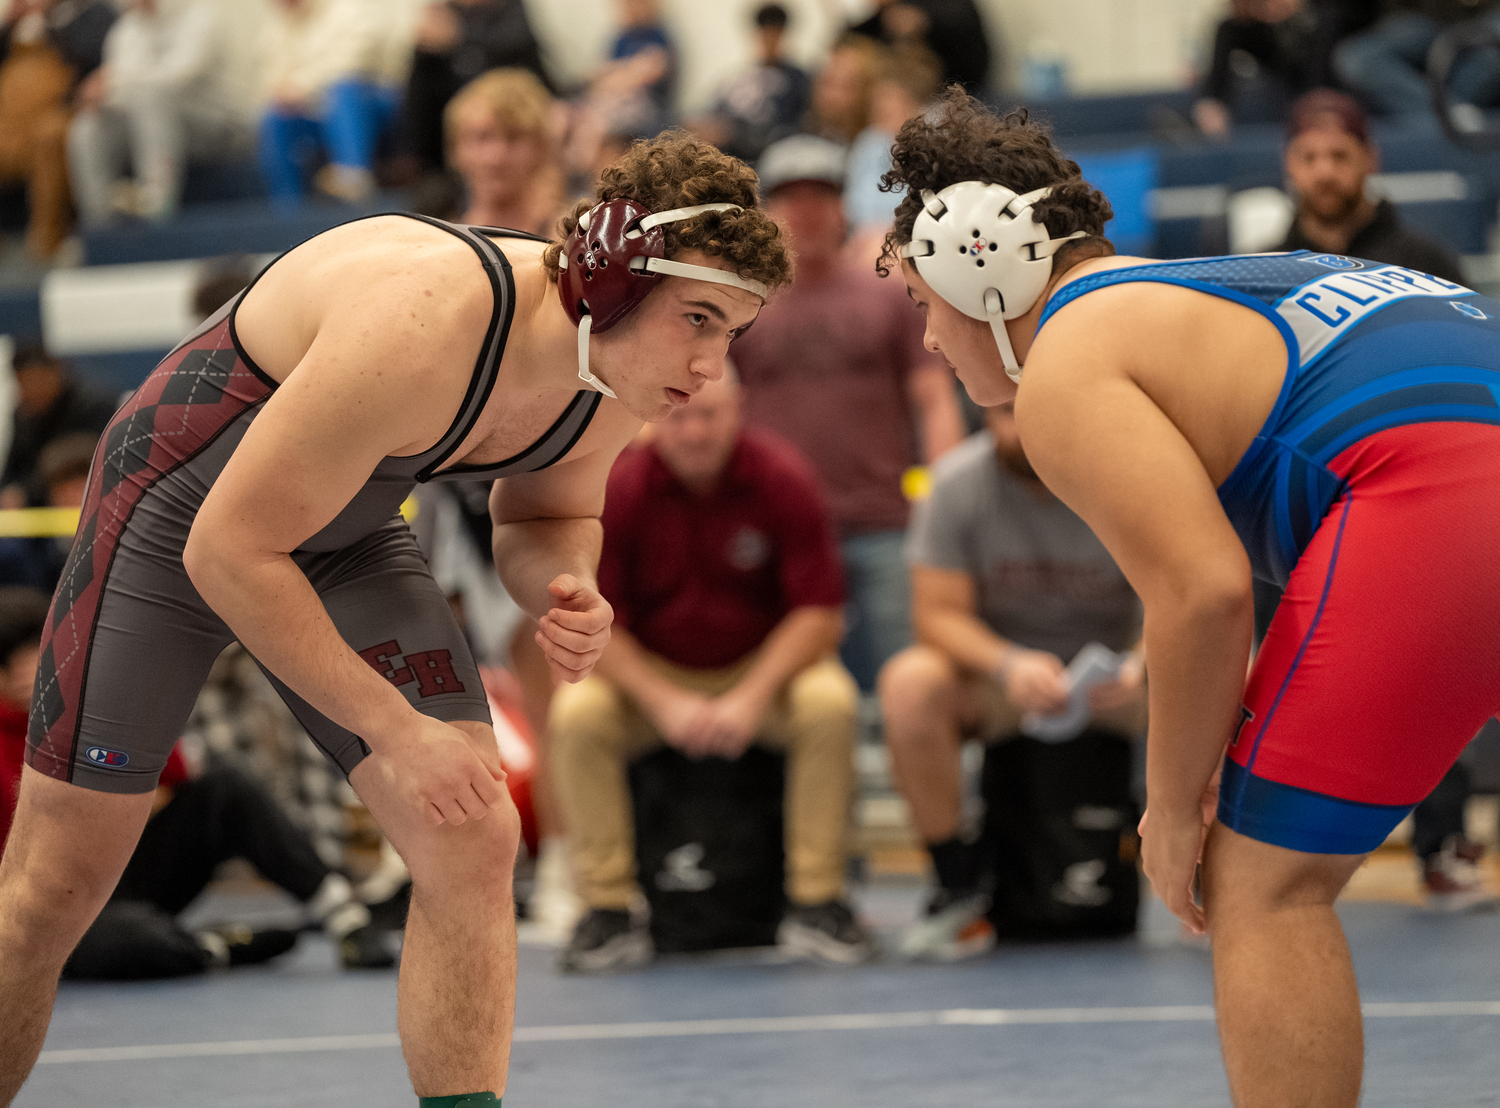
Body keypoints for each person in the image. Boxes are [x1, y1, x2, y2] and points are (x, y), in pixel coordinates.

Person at [0, 131, 788, 1107]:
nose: (712, 365)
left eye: (734, 333)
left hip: (341, 522)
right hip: (175, 511)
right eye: (700, 319)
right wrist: (394, 728)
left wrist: (567, 582)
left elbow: (546, 513)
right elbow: (226, 551)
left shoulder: (615, 371)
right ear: (614, 282)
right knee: (55, 889)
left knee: (471, 836)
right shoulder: (424, 318)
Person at [880, 86, 1500, 1106]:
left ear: (976, 264)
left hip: (1434, 488)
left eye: (919, 302)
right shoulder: (1197, 288)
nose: (928, 341)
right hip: (1454, 455)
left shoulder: (1068, 363)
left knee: (1261, 887)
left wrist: (1171, 808)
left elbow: (1204, 594)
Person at [549, 370, 870, 972]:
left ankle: (818, 900)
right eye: (680, 416)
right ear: (652, 416)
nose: (694, 431)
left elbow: (819, 616)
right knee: (578, 713)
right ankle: (607, 909)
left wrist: (750, 697)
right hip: (653, 680)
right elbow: (598, 623)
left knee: (829, 703)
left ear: (738, 411)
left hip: (761, 675)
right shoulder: (619, 488)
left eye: (710, 415)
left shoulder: (783, 477)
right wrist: (665, 701)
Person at [1270, 87, 1487, 913]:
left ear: (1369, 160)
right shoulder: (1263, 265)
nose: (1326, 171)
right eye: (1310, 156)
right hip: (1298, 498)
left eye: (1340, 154)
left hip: (1415, 489)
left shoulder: (1427, 254)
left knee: (1435, 666)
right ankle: (1262, 859)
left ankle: (1443, 848)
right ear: (1291, 166)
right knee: (1273, 671)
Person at [0, 586, 394, 979]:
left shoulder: (90, 704)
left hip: (117, 871)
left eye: (34, 656)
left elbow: (172, 773)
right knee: (102, 942)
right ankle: (214, 948)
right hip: (45, 900)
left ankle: (346, 918)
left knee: (225, 788)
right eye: (11, 664)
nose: (26, 672)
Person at [878, 399, 1145, 960]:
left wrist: (1144, 659)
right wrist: (1007, 662)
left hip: (1116, 682)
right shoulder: (953, 485)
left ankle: (1217, 873)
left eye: (1029, 412)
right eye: (1002, 416)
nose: (1018, 430)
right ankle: (956, 881)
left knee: (1237, 680)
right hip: (1006, 683)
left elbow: (1187, 592)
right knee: (910, 684)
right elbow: (937, 614)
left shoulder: (1130, 478)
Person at [734, 134, 963, 690]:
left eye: (820, 196)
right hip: (775, 532)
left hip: (883, 524)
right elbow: (706, 411)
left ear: (843, 206)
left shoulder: (890, 296)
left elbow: (934, 400)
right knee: (795, 694)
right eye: (791, 198)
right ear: (769, 213)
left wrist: (942, 502)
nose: (805, 213)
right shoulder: (740, 305)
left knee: (904, 680)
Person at [65, 0, 248, 228]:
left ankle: (157, 210)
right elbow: (124, 89)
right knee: (88, 125)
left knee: (152, 99)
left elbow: (178, 75)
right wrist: (101, 95)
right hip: (153, 124)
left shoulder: (200, 16)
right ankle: (99, 224)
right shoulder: (127, 28)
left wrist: (112, 84)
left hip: (217, 125)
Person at [257, 0, 403, 205]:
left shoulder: (349, 8)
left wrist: (300, 87)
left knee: (343, 91)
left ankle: (353, 177)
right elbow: (273, 76)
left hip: (370, 103)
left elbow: (352, 63)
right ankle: (288, 205)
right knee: (274, 116)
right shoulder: (277, 25)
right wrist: (283, 92)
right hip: (316, 111)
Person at [0, 0, 115, 260]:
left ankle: (46, 243)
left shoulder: (93, 14)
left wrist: (49, 22)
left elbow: (90, 62)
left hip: (64, 111)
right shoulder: (13, 27)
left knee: (49, 136)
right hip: (13, 119)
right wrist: (10, 24)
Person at [402, 0, 549, 175]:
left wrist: (458, 38)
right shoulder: (445, 13)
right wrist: (424, 51)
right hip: (450, 129)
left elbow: (513, 48)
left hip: (516, 107)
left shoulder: (511, 10)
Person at [1334, 0, 1500, 124]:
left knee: (1489, 62)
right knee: (1356, 59)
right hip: (1419, 23)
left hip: (1485, 28)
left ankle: (1448, 121)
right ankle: (1452, 117)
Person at [0, 345, 118, 508]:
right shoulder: (23, 414)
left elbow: (89, 462)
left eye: (32, 381)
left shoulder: (94, 405)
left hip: (93, 506)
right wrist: (10, 492)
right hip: (36, 515)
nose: (26, 391)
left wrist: (27, 492)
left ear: (54, 373)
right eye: (20, 383)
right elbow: (13, 468)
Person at [695, 2, 811, 163]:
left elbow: (792, 131)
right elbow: (711, 112)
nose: (769, 39)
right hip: (726, 160)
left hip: (763, 160)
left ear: (783, 34)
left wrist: (733, 134)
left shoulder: (797, 81)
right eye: (764, 33)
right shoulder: (736, 78)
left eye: (774, 33)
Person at [846, 0, 990, 94]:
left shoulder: (954, 11)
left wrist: (923, 20)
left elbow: (961, 20)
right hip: (897, 88)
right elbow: (855, 32)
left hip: (961, 89)